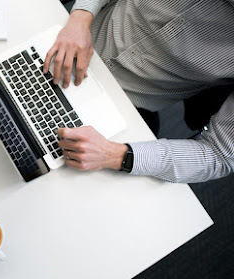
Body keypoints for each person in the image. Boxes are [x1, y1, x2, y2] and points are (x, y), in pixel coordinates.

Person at [44, 0, 234, 183]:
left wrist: (114, 154)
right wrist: (81, 16)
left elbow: (219, 154)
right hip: (69, 34)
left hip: (120, 107)